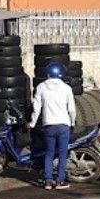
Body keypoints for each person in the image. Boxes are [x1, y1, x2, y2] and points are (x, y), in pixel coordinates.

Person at [27, 62, 76, 190]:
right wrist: (72, 123)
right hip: (63, 125)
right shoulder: (66, 88)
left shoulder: (41, 87)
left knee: (49, 153)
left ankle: (48, 181)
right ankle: (60, 181)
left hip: (48, 126)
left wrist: (32, 123)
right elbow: (71, 109)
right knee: (62, 154)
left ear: (48, 74)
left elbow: (36, 108)